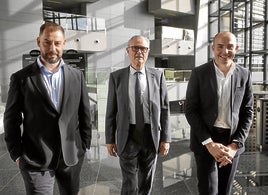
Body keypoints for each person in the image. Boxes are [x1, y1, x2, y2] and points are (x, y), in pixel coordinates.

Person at [4, 21, 92, 195]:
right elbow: (11, 119)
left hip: (71, 156)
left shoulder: (77, 76)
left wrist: (84, 146)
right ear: (38, 42)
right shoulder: (21, 78)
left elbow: (85, 114)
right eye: (47, 42)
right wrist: (16, 154)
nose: (52, 48)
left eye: (57, 43)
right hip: (36, 158)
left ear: (64, 44)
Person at [185, 31, 254, 195]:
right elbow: (190, 110)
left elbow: (248, 112)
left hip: (232, 140)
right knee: (207, 190)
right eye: (220, 47)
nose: (225, 51)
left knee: (225, 190)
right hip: (205, 139)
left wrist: (235, 145)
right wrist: (209, 143)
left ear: (236, 48)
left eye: (230, 47)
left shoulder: (244, 74)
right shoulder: (199, 73)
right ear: (213, 48)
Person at [105, 35, 171, 195]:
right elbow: (111, 110)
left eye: (143, 48)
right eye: (135, 48)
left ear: (148, 52)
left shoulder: (158, 76)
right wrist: (109, 140)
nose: (139, 52)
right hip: (127, 136)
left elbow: (164, 109)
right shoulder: (117, 77)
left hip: (151, 135)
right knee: (130, 182)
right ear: (128, 51)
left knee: (146, 180)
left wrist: (166, 138)